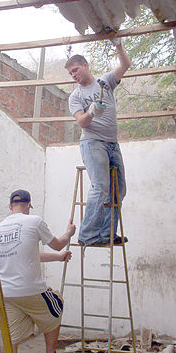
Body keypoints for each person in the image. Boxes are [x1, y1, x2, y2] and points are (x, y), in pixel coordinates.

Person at [0, 189, 75, 353]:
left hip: (6, 293)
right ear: (29, 205)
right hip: (30, 290)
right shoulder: (34, 221)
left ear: (10, 206)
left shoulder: (0, 227)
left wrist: (58, 258)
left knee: (11, 338)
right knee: (56, 303)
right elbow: (57, 244)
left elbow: (29, 254)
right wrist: (69, 233)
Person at [65, 39, 131, 247]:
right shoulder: (75, 97)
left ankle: (107, 234)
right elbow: (81, 122)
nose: (74, 75)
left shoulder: (105, 83)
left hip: (112, 143)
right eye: (71, 74)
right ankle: (87, 235)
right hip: (93, 143)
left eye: (75, 70)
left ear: (85, 65)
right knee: (101, 186)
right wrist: (91, 112)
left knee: (119, 190)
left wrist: (118, 45)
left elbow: (125, 65)